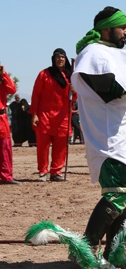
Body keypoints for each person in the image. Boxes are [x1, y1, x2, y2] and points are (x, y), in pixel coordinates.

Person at [72, 6, 126, 269]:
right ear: (106, 29)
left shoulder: (117, 55)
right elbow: (112, 91)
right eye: (122, 27)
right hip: (109, 139)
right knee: (116, 194)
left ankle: (115, 254)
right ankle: (85, 251)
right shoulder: (93, 54)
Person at [31, 48, 77, 181]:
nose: (60, 59)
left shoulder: (70, 77)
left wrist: (74, 91)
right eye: (57, 57)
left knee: (61, 146)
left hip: (62, 116)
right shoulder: (44, 74)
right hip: (45, 115)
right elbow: (36, 95)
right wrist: (34, 114)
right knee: (43, 146)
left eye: (62, 57)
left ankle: (56, 172)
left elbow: (73, 98)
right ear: (53, 59)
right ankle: (43, 171)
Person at [0, 63, 18, 184]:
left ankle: (6, 176)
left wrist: (4, 74)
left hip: (1, 118)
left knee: (4, 148)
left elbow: (12, 89)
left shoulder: (2, 80)